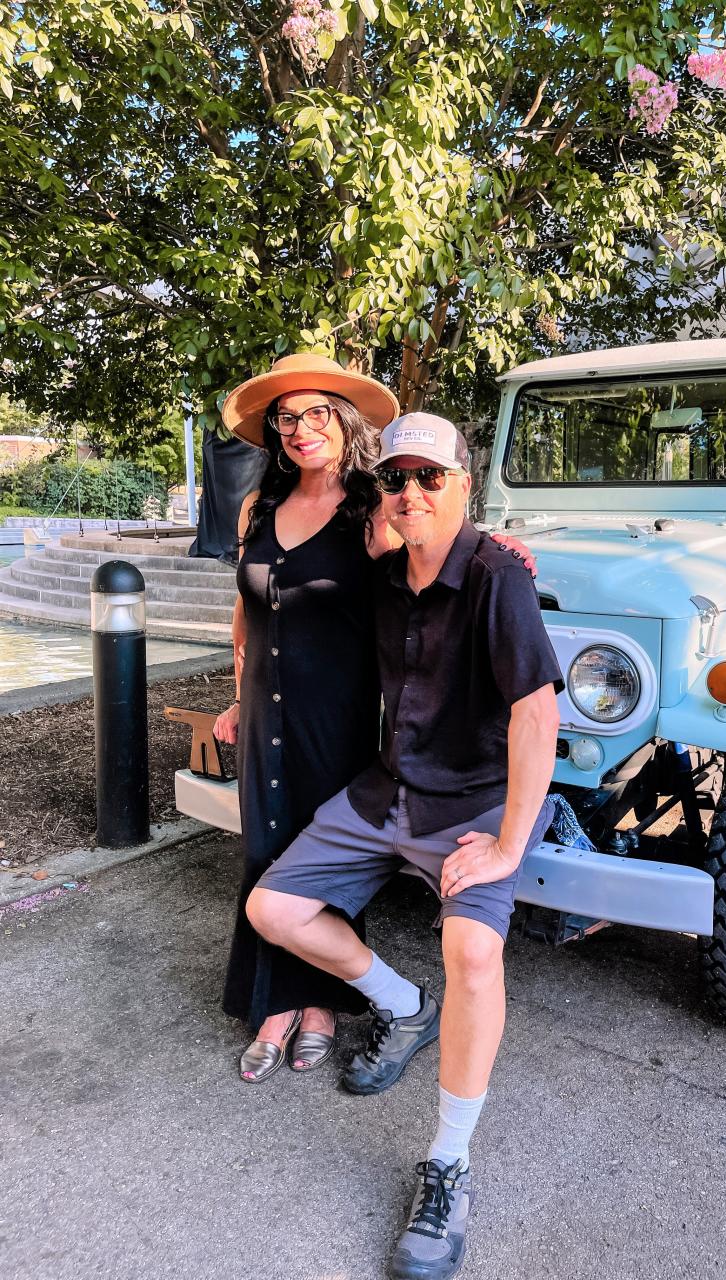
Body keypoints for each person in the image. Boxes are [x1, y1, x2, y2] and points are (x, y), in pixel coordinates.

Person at [245, 412, 563, 1279]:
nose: (413, 492)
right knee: (272, 905)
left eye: (432, 477)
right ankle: (401, 1003)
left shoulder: (499, 578)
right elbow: (288, 589)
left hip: (470, 806)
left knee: (472, 949)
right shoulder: (382, 572)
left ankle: (449, 1163)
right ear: (379, 492)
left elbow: (539, 713)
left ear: (466, 485)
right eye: (398, 479)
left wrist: (507, 841)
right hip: (387, 790)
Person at [213, 353, 400, 1082]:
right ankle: (275, 1005)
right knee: (264, 850)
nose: (299, 429)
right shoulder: (256, 508)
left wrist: (502, 556)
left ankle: (320, 1004)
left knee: (324, 859)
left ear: (343, 421)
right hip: (266, 713)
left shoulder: (371, 508)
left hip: (338, 715)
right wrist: (236, 696)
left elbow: (425, 581)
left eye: (315, 412)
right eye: (286, 418)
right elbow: (244, 616)